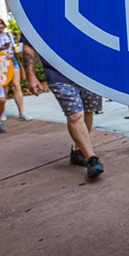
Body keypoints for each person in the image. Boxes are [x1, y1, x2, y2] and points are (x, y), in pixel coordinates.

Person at [21, 36, 104, 179]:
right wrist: (31, 76)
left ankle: (78, 151)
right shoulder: (37, 14)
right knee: (75, 115)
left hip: (89, 71)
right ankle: (92, 159)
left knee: (88, 111)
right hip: (58, 75)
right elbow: (28, 46)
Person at [0, 18, 32, 121]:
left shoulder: (8, 35)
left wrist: (14, 53)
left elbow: (14, 48)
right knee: (3, 88)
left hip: (11, 60)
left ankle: (21, 112)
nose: (1, 30)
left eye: (2, 28)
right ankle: (2, 111)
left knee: (16, 86)